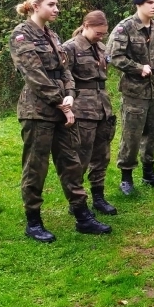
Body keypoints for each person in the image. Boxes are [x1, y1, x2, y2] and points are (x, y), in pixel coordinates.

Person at [9, 0, 112, 242]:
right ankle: (34, 221)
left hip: (62, 108)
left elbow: (66, 70)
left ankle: (82, 216)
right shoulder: (22, 35)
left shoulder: (53, 36)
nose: (57, 9)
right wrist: (60, 101)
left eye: (57, 4)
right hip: (38, 111)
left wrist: (70, 94)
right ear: (35, 6)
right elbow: (34, 75)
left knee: (71, 163)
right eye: (51, 4)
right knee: (36, 167)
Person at [107, 0, 154, 195]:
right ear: (139, 4)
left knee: (153, 133)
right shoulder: (125, 27)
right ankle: (126, 178)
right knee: (132, 135)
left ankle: (149, 173)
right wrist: (138, 68)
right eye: (149, 3)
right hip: (134, 92)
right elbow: (113, 56)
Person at [63, 11, 117, 216]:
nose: (101, 37)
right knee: (81, 157)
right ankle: (76, 201)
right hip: (82, 110)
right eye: (98, 33)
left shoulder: (101, 47)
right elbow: (64, 79)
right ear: (86, 25)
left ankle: (98, 197)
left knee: (102, 156)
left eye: (104, 33)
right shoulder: (70, 48)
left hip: (102, 107)